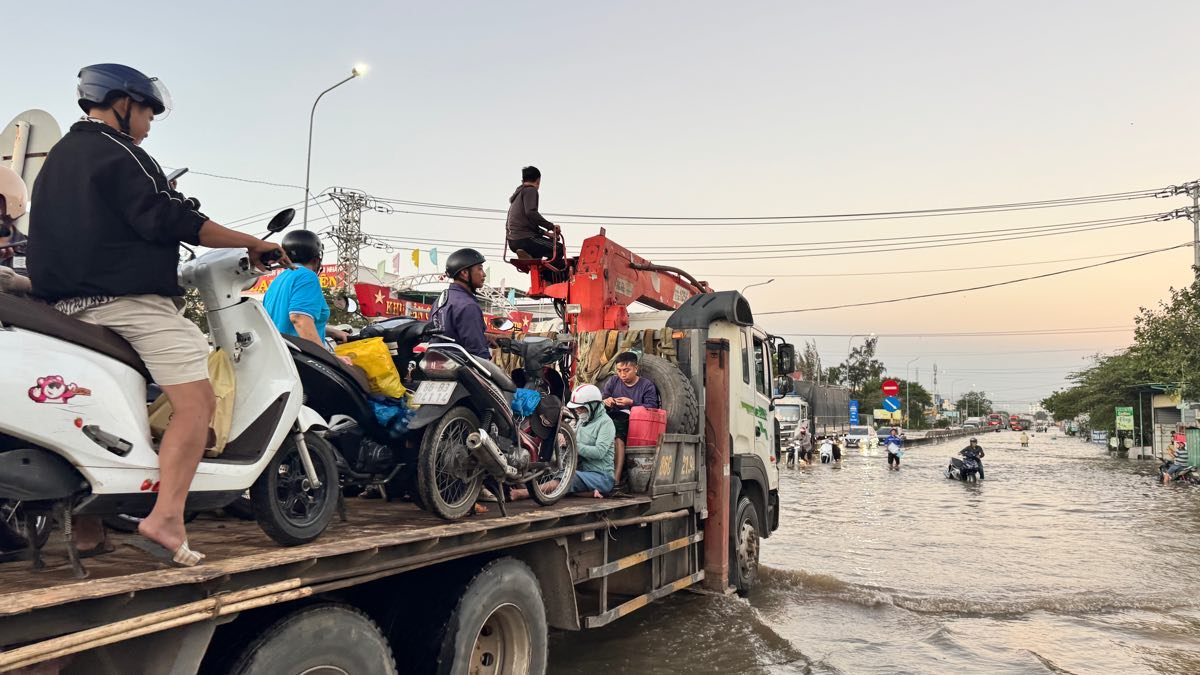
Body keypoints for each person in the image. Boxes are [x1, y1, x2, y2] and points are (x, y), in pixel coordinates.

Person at [27, 64, 288, 566]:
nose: (148, 124)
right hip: (126, 302)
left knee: (103, 406)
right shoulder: (123, 152)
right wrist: (253, 242)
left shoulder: (59, 160)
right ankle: (166, 518)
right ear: (123, 103)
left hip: (63, 307)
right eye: (147, 112)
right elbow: (172, 217)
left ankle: (87, 526)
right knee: (197, 403)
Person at [263, 229, 350, 352]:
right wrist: (328, 358)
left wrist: (333, 332)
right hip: (300, 359)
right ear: (316, 259)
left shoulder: (277, 281)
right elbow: (299, 319)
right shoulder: (307, 276)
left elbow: (286, 324)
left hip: (280, 356)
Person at [601, 351, 660, 485]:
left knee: (617, 435)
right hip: (612, 416)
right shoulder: (613, 381)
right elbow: (604, 397)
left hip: (635, 421)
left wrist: (631, 403)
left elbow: (652, 407)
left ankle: (615, 479)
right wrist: (607, 401)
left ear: (636, 368)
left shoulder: (646, 385)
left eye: (626, 370)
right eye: (619, 370)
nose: (622, 374)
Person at [430, 248, 491, 361]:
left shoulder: (440, 301)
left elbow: (449, 334)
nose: (484, 274)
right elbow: (477, 350)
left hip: (438, 365)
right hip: (462, 370)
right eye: (480, 269)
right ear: (464, 273)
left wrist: (489, 338)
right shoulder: (468, 305)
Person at [505, 166, 565, 265]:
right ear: (538, 180)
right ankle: (549, 278)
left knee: (539, 255)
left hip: (513, 241)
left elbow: (527, 223)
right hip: (525, 239)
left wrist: (547, 234)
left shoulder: (517, 196)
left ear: (523, 180)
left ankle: (532, 262)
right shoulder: (531, 190)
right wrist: (551, 227)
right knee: (559, 249)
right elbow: (531, 213)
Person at [565, 384, 617, 497]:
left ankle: (521, 494)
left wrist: (572, 444)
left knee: (568, 477)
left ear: (593, 406)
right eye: (576, 408)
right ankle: (588, 493)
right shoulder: (581, 421)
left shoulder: (606, 423)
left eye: (582, 408)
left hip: (601, 477)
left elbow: (599, 452)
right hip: (581, 473)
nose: (578, 411)